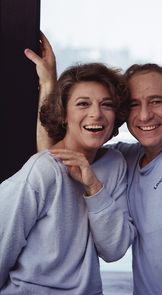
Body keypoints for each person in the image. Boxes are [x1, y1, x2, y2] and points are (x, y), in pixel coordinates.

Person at [27, 36, 162, 295]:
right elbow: (56, 156)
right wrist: (49, 84)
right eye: (135, 105)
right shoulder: (127, 159)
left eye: (156, 101)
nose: (145, 115)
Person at [0, 58, 136, 294]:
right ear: (63, 114)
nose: (96, 114)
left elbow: (114, 250)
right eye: (83, 104)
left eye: (106, 104)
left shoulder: (115, 164)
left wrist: (94, 187)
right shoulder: (40, 172)